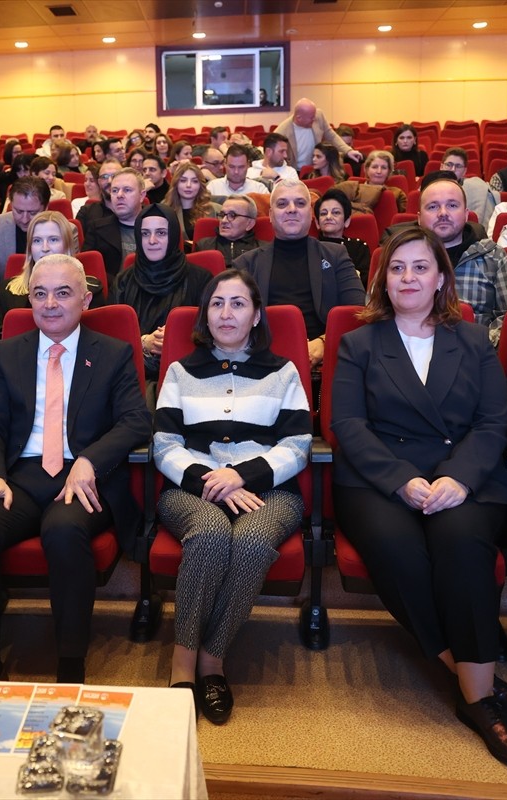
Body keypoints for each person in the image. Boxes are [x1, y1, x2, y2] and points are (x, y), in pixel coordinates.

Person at [330, 226, 507, 766]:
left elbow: (494, 421)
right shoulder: (358, 342)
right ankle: (471, 676)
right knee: (399, 552)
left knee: (463, 548)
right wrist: (401, 479)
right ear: (382, 279)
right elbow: (346, 424)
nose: (408, 277)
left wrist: (459, 478)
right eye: (397, 268)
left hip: (462, 476)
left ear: (442, 276)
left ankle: (476, 696)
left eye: (420, 267)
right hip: (380, 479)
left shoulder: (471, 339)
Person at [0, 254, 151, 683]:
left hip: (83, 478)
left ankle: (70, 662)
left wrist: (89, 461)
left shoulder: (113, 352)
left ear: (85, 297)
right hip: (19, 478)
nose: (50, 304)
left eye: (63, 293)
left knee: (63, 529)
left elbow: (136, 419)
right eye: (39, 293)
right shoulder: (11, 351)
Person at [155, 269, 311, 724]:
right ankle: (182, 663)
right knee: (208, 534)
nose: (227, 313)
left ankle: (213, 660)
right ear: (205, 313)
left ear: (256, 314)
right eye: (218, 303)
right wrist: (212, 479)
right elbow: (164, 444)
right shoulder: (181, 372)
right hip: (191, 487)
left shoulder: (282, 372)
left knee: (250, 542)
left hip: (269, 490)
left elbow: (298, 445)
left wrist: (242, 476)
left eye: (238, 303)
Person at [235, 179, 366, 368]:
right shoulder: (246, 263)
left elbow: (357, 311)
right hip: (264, 361)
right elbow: (234, 321)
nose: (291, 209)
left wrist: (323, 343)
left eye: (300, 203)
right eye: (282, 204)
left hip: (325, 360)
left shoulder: (335, 255)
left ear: (311, 213)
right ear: (271, 215)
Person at [110, 204, 211, 379]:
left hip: (188, 372)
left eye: (161, 233)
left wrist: (176, 338)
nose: (152, 240)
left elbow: (212, 332)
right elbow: (111, 335)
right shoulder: (123, 281)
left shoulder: (201, 279)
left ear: (172, 235)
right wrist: (143, 343)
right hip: (131, 373)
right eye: (145, 233)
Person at [417, 177, 507, 343]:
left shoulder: (493, 256)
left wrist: (479, 345)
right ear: (419, 218)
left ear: (465, 214)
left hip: (475, 355)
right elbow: (378, 310)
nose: (443, 213)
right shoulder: (400, 257)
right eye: (433, 206)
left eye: (452, 205)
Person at [0, 210, 101, 339]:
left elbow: (94, 337)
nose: (45, 248)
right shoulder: (7, 289)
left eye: (53, 239)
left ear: (67, 245)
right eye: (37, 241)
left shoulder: (91, 288)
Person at [0, 177, 52, 289]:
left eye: (32, 213)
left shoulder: (66, 231)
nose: (24, 219)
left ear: (46, 208)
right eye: (18, 211)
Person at [83, 169, 146, 278]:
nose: (119, 195)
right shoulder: (97, 229)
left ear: (142, 196)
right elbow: (89, 273)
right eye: (115, 190)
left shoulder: (158, 228)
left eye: (127, 190)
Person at [274, 97, 360, 169]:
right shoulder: (281, 132)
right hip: (296, 171)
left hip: (317, 168)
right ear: (299, 118)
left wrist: (348, 151)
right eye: (311, 118)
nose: (314, 119)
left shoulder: (318, 115)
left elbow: (331, 136)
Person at [315, 189, 371, 286]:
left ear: (347, 221)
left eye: (336, 213)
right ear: (317, 223)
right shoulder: (310, 246)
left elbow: (363, 283)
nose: (328, 217)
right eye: (323, 213)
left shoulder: (358, 248)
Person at [195, 196, 264, 268]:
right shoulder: (204, 246)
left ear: (250, 224)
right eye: (222, 215)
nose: (224, 221)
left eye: (232, 215)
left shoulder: (263, 250)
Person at [164, 162, 221, 246]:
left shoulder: (215, 210)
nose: (188, 185)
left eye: (194, 181)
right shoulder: (165, 209)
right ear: (176, 183)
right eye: (183, 180)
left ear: (200, 185)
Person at [441, 147, 499, 226]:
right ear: (441, 166)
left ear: (464, 171)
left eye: (458, 166)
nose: (453, 169)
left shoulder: (475, 188)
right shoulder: (428, 187)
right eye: (449, 165)